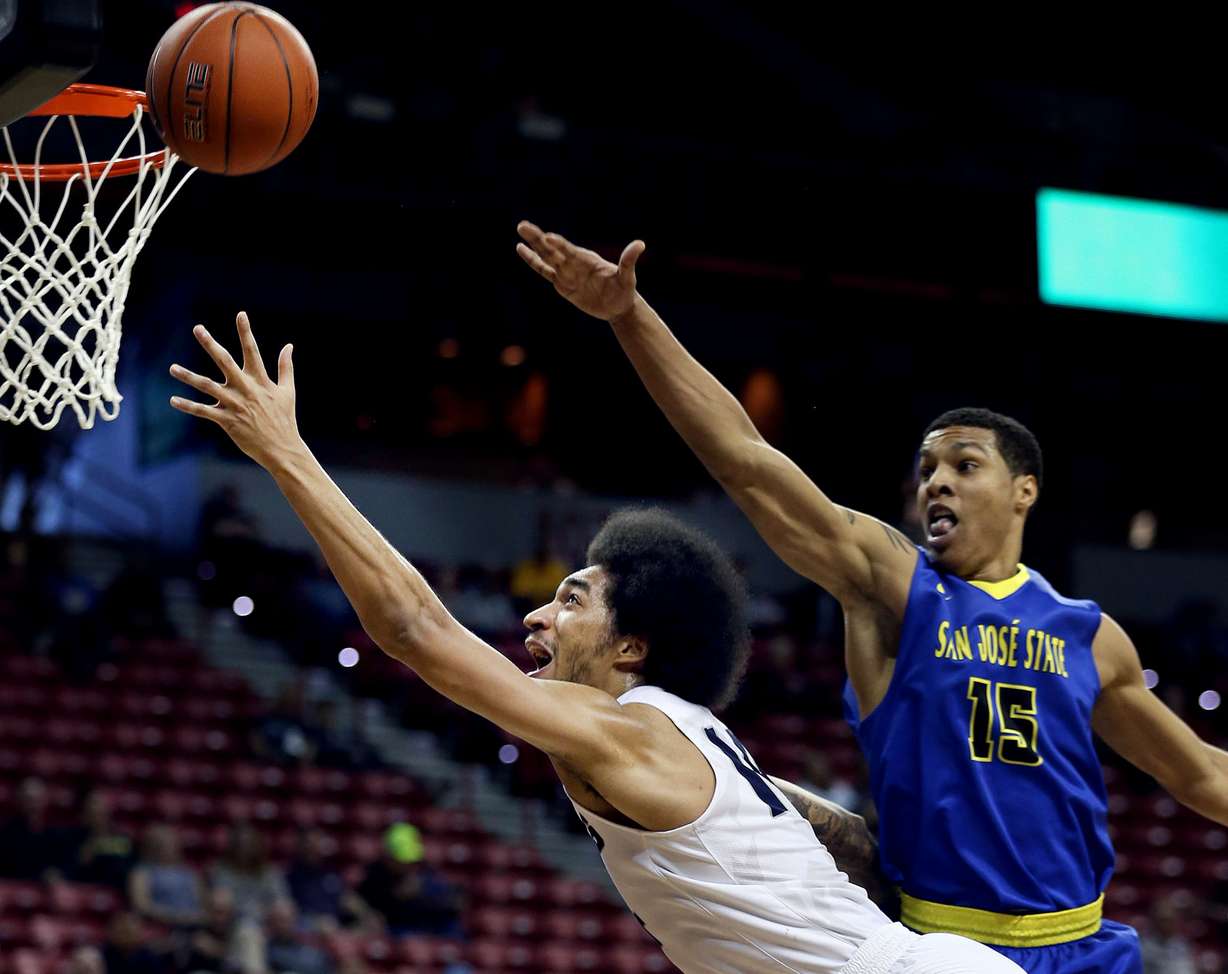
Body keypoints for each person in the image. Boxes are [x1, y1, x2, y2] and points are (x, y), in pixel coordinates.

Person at [168, 312, 1025, 974]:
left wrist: (287, 455)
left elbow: (415, 630)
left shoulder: (624, 732)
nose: (537, 619)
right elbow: (842, 836)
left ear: (631, 650)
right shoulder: (700, 740)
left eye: (571, 600)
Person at [514, 220, 1228, 973]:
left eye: (964, 463)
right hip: (943, 948)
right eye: (926, 468)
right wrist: (631, 317)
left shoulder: (1091, 636)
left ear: (1025, 491)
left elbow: (1200, 774)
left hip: (1086, 947)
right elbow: (746, 462)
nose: (937, 480)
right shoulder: (895, 587)